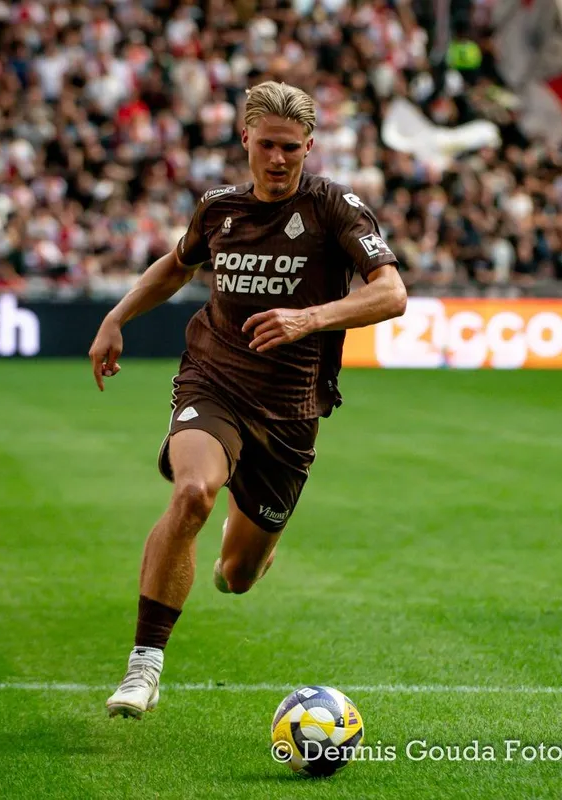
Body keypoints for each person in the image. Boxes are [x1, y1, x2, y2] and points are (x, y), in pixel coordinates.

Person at [88, 81, 408, 718]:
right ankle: (144, 667)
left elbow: (392, 293)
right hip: (214, 381)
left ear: (310, 146)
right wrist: (115, 317)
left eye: (292, 147)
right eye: (267, 145)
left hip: (290, 413)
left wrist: (308, 318)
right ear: (245, 141)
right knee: (192, 493)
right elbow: (177, 267)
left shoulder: (336, 210)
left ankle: (251, 535)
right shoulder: (218, 208)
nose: (279, 159)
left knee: (236, 576)